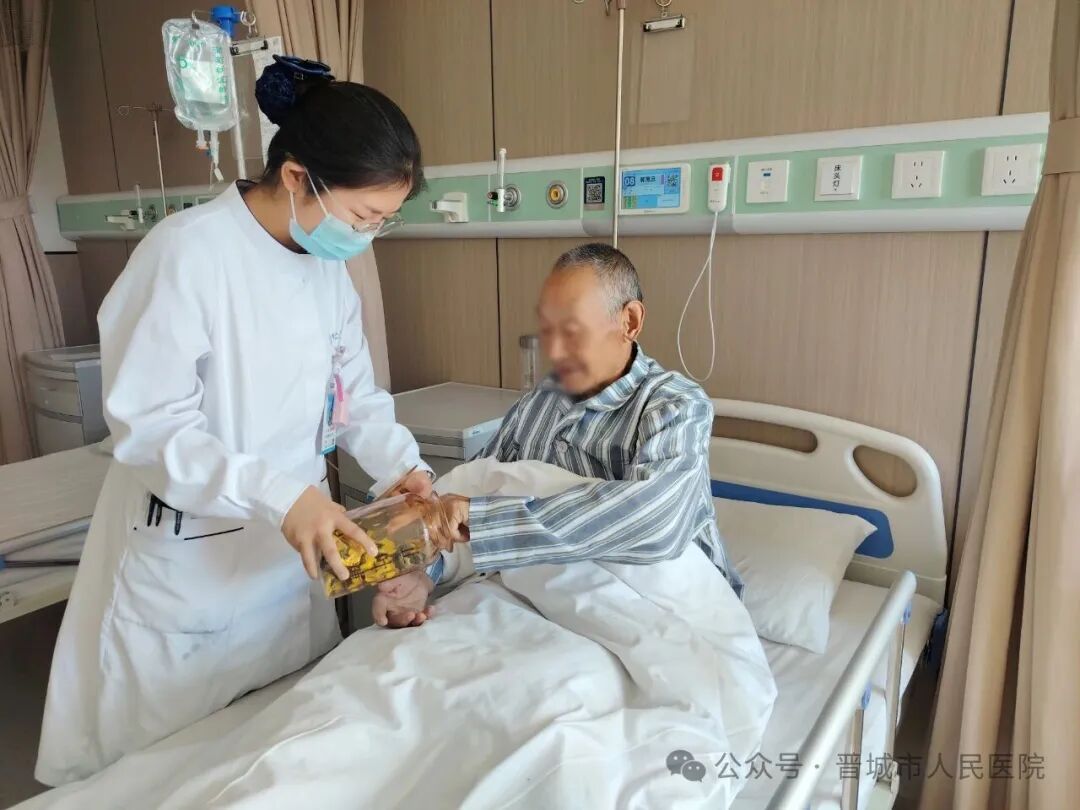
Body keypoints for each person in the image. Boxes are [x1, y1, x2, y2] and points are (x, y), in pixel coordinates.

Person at [36, 57, 438, 785]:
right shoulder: (187, 254)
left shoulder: (326, 270)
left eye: (385, 220)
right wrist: (281, 495)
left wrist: (402, 469)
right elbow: (150, 427)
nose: (370, 236)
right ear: (298, 178)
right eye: (362, 217)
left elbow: (355, 397)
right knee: (163, 776)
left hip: (283, 566)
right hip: (188, 569)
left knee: (270, 759)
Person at [373, 243, 741, 626]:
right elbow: (480, 490)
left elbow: (655, 522)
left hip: (661, 608)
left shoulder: (674, 405)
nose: (555, 349)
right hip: (545, 597)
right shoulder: (539, 404)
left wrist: (484, 521)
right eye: (548, 330)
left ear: (629, 321)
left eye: (572, 330)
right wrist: (423, 576)